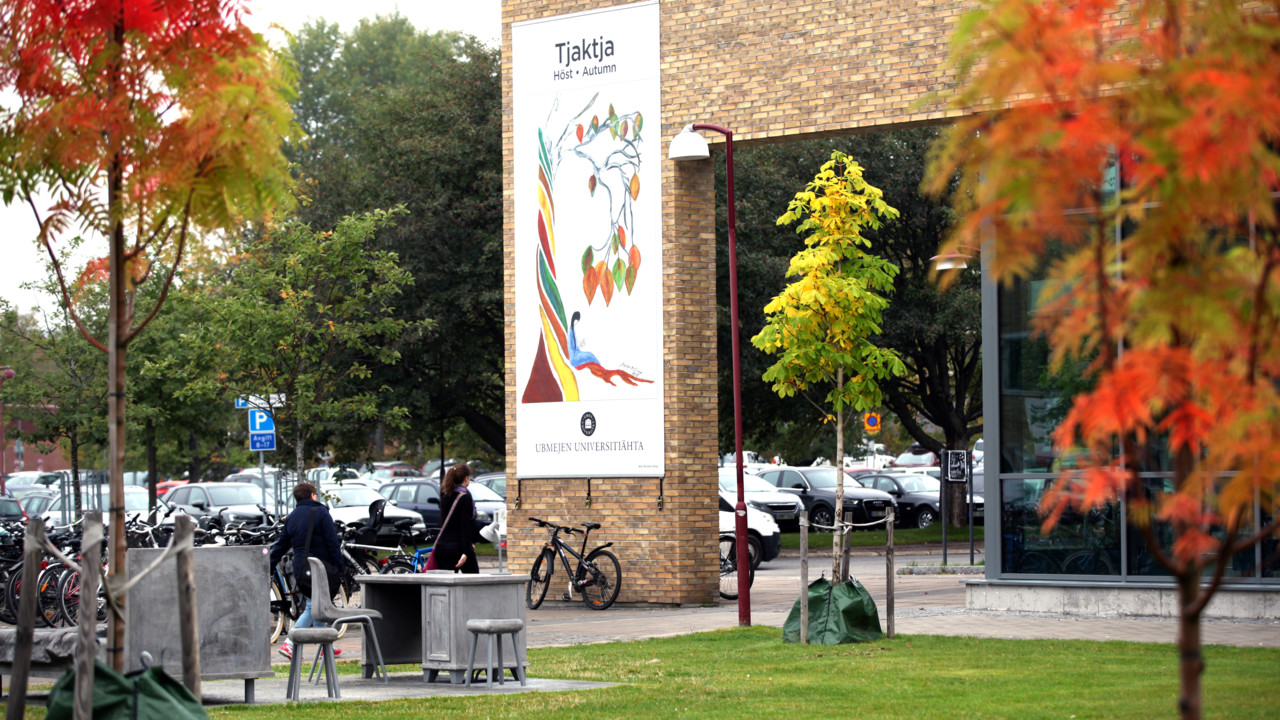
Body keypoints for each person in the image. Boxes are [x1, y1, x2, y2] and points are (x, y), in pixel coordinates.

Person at [269, 481, 344, 659]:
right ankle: (290, 643)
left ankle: (325, 646)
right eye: (315, 494)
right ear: (312, 495)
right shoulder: (321, 513)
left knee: (317, 604)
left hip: (301, 569)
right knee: (313, 606)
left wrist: (269, 564)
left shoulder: (292, 517)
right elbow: (332, 543)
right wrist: (340, 566)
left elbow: (281, 546)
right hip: (319, 567)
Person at [434, 463, 479, 574]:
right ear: (466, 478)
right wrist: (466, 550)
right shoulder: (465, 497)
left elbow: (449, 524)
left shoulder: (446, 496)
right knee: (473, 581)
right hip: (458, 548)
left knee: (446, 586)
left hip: (443, 546)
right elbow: (464, 526)